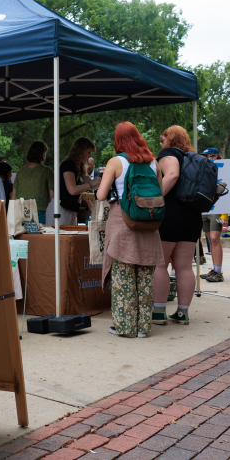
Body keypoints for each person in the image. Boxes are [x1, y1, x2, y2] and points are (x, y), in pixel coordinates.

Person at [97, 123, 164, 338]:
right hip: (149, 223)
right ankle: (143, 327)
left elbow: (100, 195)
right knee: (145, 277)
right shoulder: (153, 162)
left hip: (123, 221)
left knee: (123, 277)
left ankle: (125, 327)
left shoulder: (116, 162)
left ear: (118, 140)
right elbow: (159, 193)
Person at [152, 126, 204, 325]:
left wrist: (155, 199)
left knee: (160, 264)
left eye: (162, 138)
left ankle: (158, 312)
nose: (161, 143)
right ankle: (183, 312)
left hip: (170, 214)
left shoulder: (169, 153)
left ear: (169, 138)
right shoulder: (193, 157)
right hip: (192, 215)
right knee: (183, 267)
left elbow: (172, 175)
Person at [59, 137, 101, 225]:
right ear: (80, 150)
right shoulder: (68, 165)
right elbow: (72, 190)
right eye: (89, 152)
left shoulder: (80, 168)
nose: (90, 156)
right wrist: (91, 183)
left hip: (72, 208)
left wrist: (102, 181)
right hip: (61, 208)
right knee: (63, 237)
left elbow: (93, 185)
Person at [199, 148, 225, 282]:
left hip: (218, 209)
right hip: (205, 208)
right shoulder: (204, 170)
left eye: (210, 155)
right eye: (205, 156)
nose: (208, 158)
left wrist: (225, 215)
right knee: (209, 238)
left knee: (215, 238)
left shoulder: (224, 169)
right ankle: (215, 269)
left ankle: (219, 271)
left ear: (217, 156)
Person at [13, 141, 54, 224]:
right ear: (42, 154)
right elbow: (52, 195)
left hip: (22, 211)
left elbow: (14, 195)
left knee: (24, 237)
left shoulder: (21, 171)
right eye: (45, 153)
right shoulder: (47, 171)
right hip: (41, 210)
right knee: (40, 236)